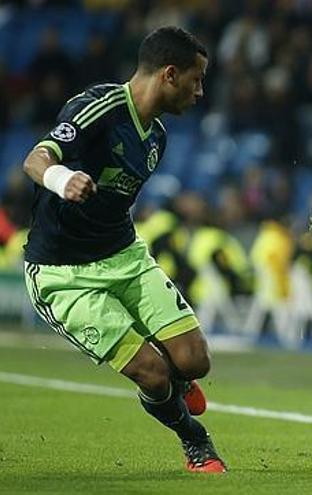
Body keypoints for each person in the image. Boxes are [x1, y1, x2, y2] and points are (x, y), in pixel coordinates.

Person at [21, 26, 226, 473]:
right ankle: (195, 440)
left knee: (195, 360)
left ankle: (175, 381)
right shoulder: (99, 108)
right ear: (170, 74)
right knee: (152, 373)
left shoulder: (156, 138)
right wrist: (62, 179)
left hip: (124, 257)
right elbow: (36, 158)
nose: (200, 91)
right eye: (196, 79)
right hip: (62, 273)